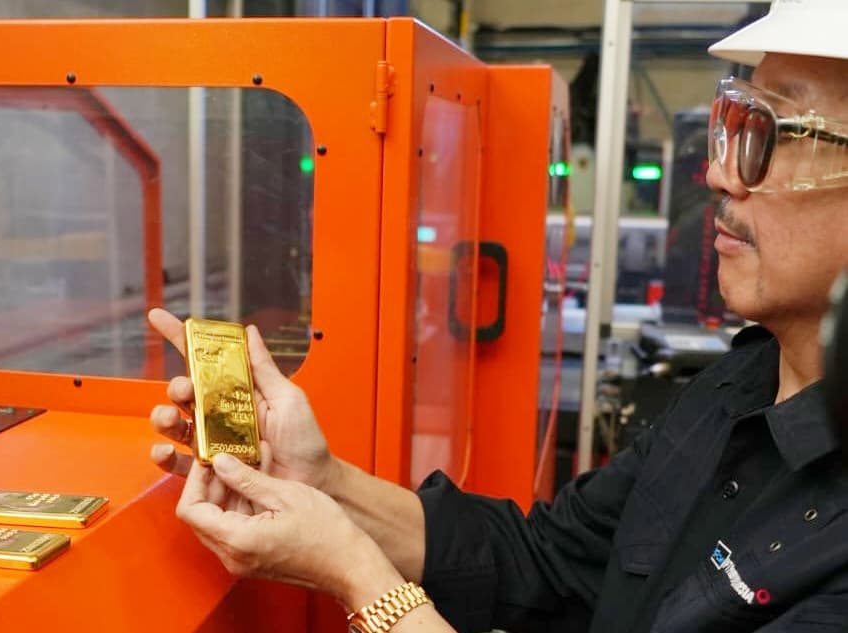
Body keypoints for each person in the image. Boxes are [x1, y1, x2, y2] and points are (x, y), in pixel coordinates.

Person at [147, 1, 848, 630]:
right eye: (736, 124)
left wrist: (355, 571)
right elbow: (544, 557)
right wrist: (323, 480)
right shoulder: (736, 386)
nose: (722, 174)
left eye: (778, 134)